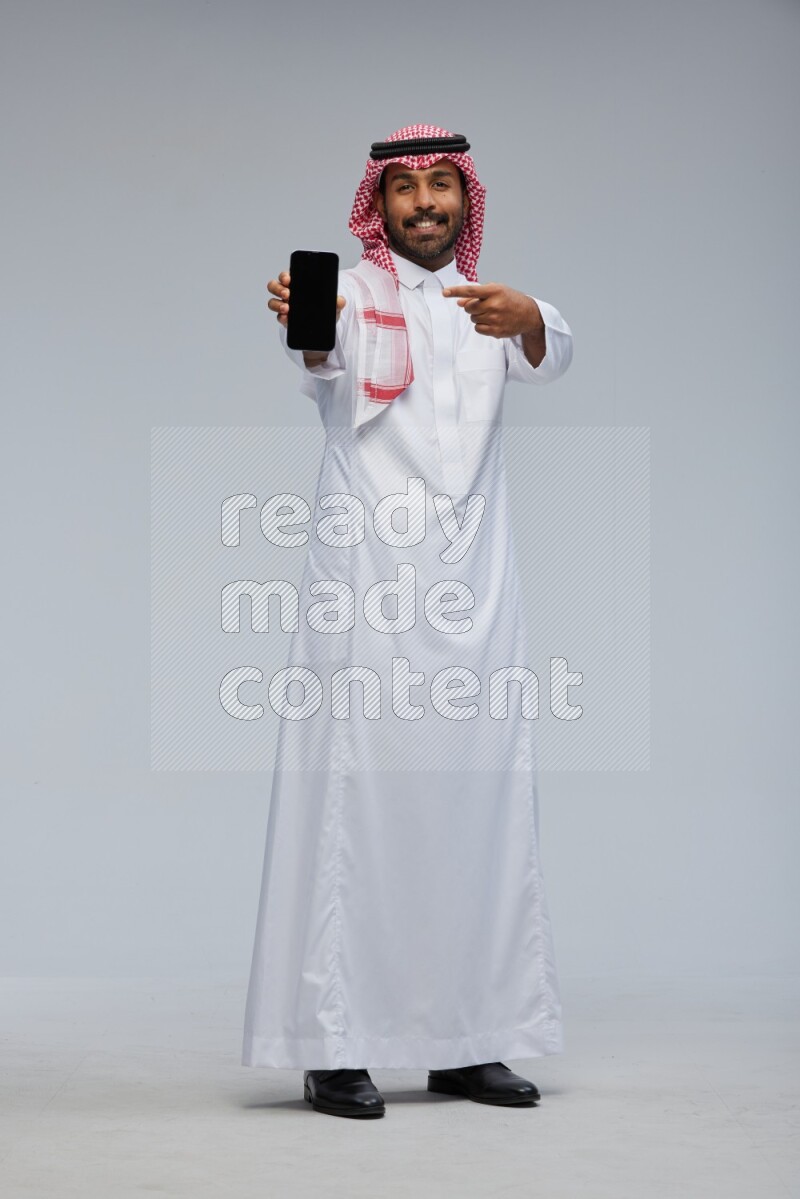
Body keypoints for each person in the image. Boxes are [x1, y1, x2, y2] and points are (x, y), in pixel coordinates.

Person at [242, 124, 573, 1119]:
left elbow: (552, 348)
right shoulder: (345, 294)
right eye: (405, 190)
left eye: (441, 187)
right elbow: (322, 360)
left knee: (474, 806)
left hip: (473, 595)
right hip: (368, 593)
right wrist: (307, 328)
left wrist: (525, 322)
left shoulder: (496, 304)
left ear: (465, 203)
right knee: (354, 805)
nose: (425, 203)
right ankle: (330, 1041)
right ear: (376, 206)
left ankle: (467, 1039)